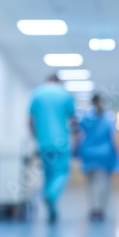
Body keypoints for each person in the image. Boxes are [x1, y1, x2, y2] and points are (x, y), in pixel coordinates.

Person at [29, 74, 77, 224]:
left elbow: (30, 120)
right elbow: (73, 120)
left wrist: (36, 138)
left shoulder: (37, 94)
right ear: (58, 82)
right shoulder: (65, 95)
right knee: (61, 173)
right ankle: (51, 194)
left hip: (43, 143)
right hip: (61, 143)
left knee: (48, 175)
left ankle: (51, 203)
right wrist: (75, 137)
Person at [78, 94, 119, 221]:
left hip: (88, 154)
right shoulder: (108, 119)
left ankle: (93, 209)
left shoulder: (86, 118)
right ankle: (100, 210)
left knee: (91, 184)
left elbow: (78, 133)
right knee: (103, 184)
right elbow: (114, 139)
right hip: (103, 156)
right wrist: (118, 155)